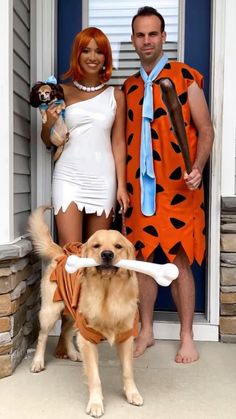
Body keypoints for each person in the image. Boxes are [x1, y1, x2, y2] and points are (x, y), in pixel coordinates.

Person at [123, 7, 214, 363]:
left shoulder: (185, 78)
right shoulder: (128, 88)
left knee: (179, 259)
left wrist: (199, 166)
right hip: (139, 188)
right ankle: (145, 330)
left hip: (180, 185)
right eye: (140, 35)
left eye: (152, 34)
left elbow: (205, 129)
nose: (146, 41)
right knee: (144, 259)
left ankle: (187, 335)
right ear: (133, 40)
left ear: (164, 37)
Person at [41, 27, 129, 358]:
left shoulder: (115, 94)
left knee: (97, 261)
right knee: (71, 259)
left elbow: (118, 142)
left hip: (103, 178)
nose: (92, 56)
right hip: (70, 177)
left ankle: (86, 332)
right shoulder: (58, 91)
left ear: (106, 57)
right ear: (77, 55)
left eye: (99, 51)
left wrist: (121, 185)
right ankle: (66, 333)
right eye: (86, 50)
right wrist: (50, 122)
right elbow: (47, 139)